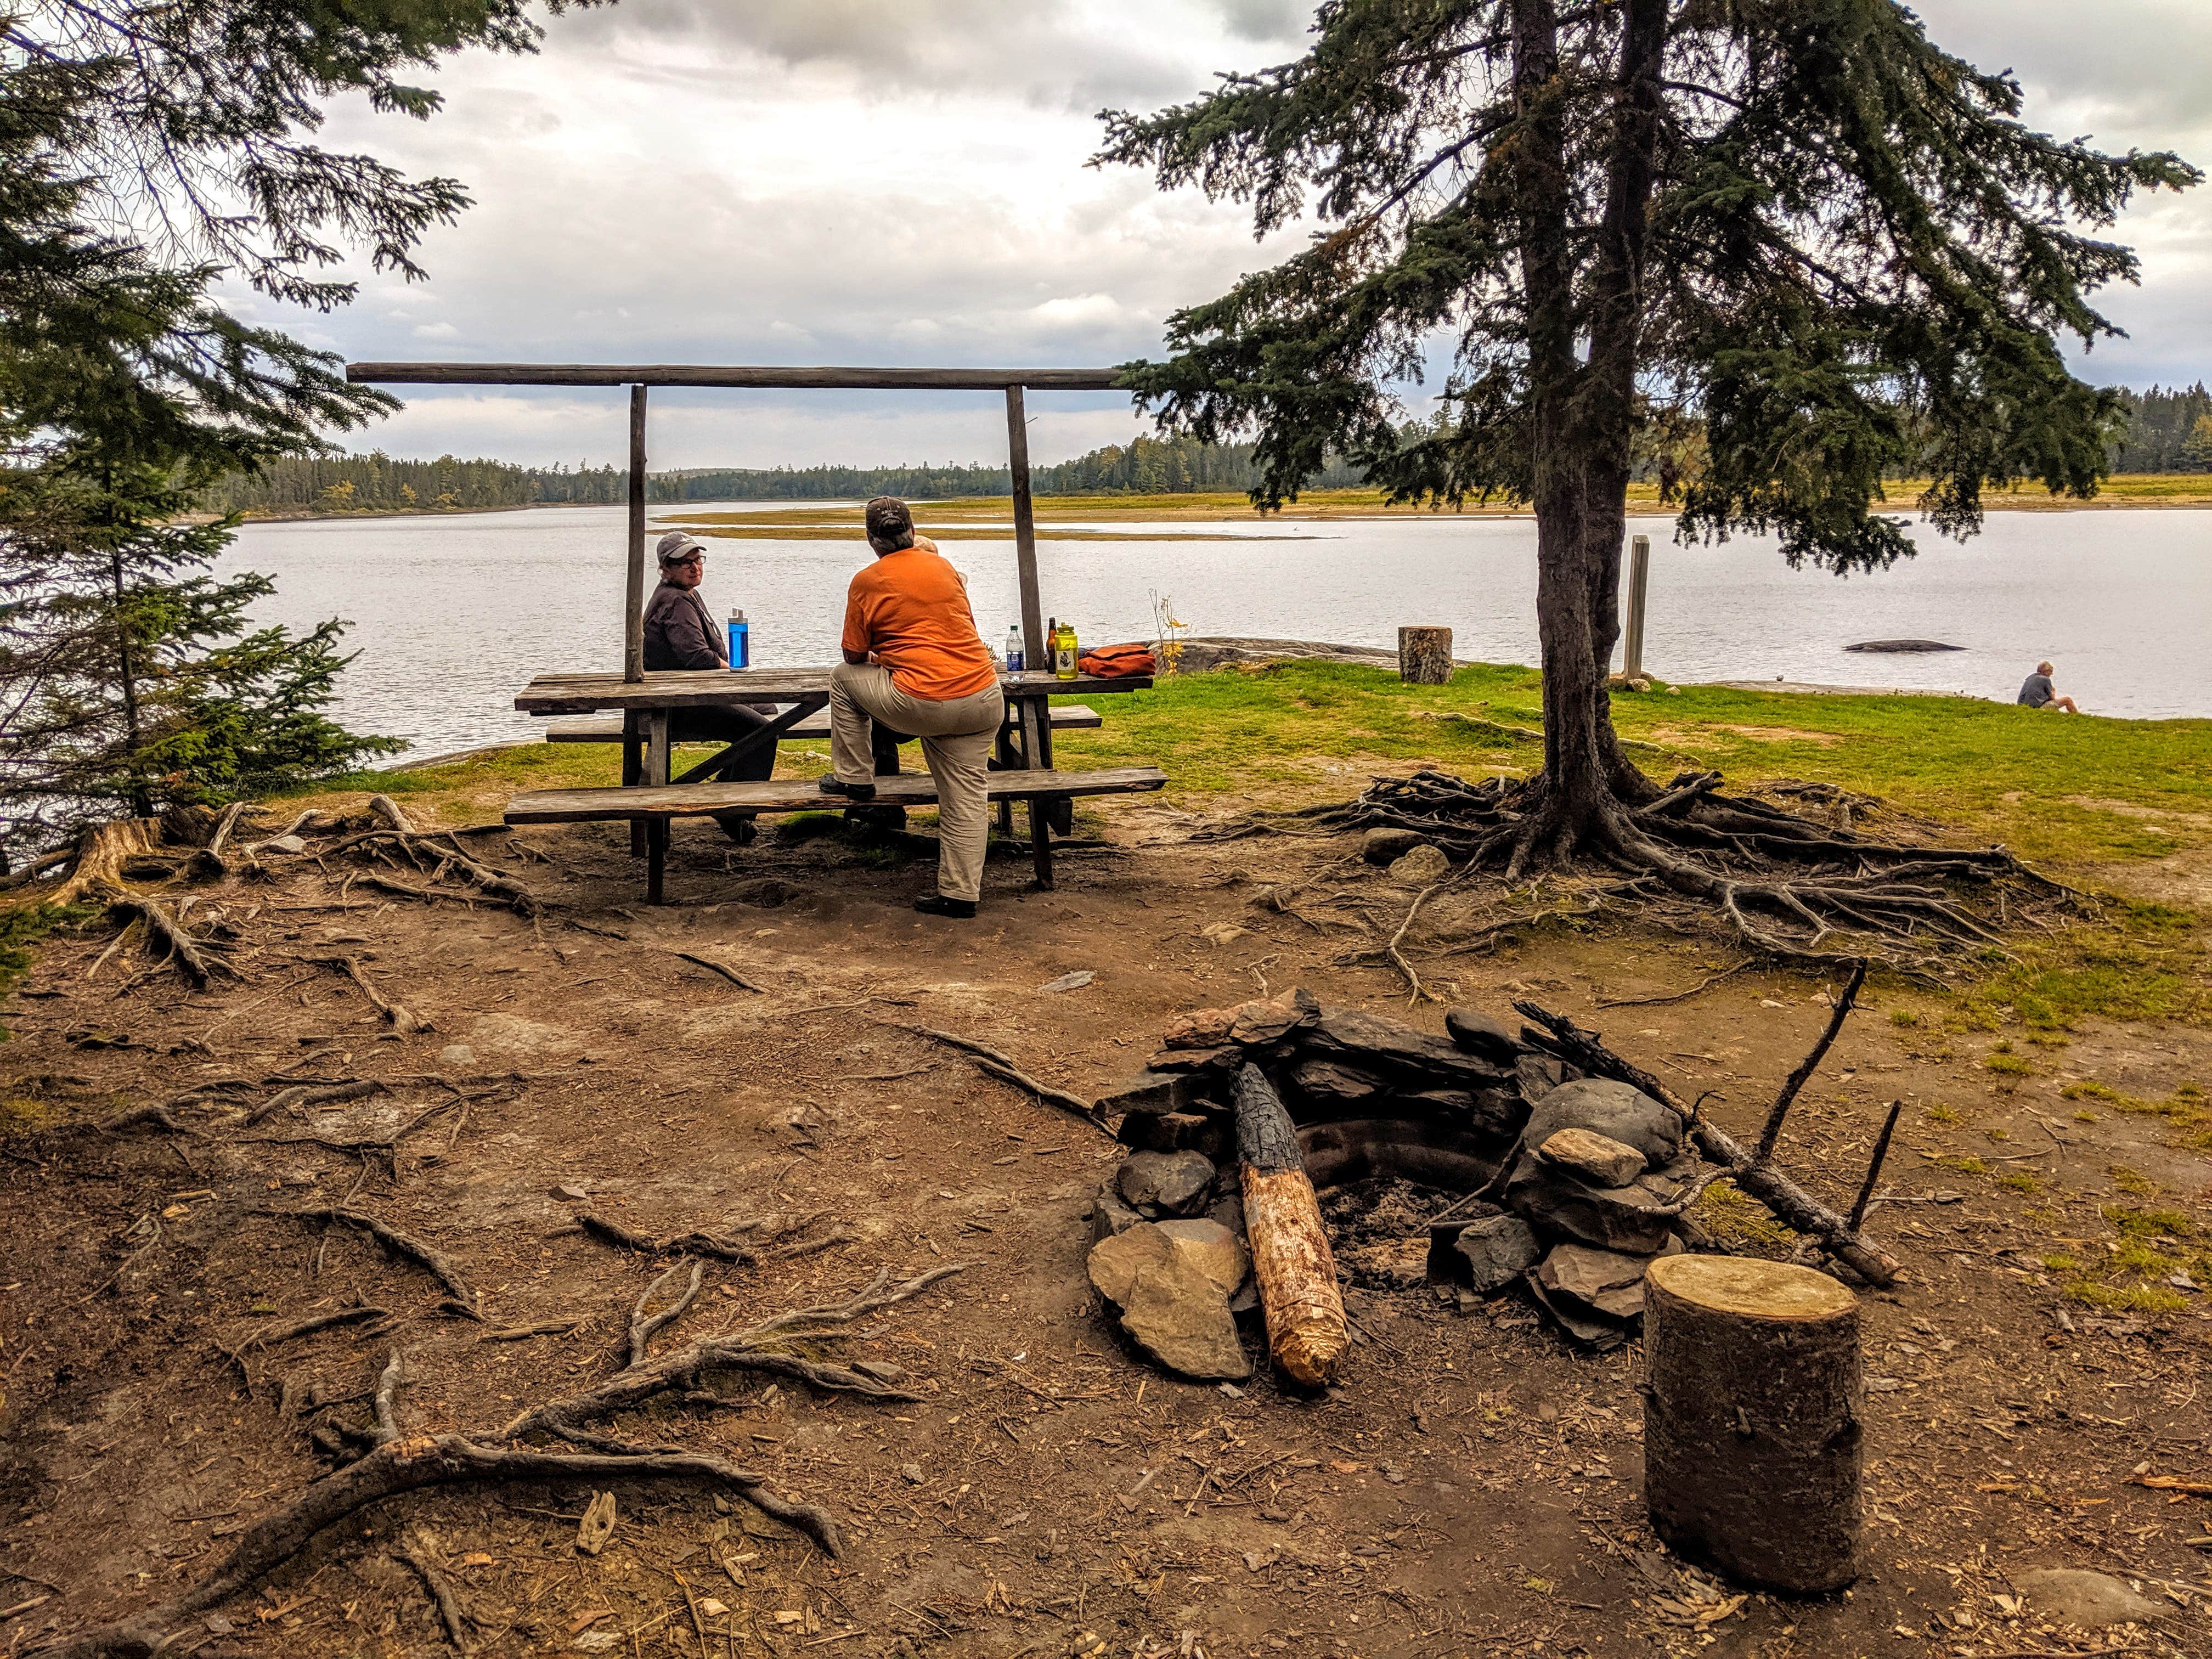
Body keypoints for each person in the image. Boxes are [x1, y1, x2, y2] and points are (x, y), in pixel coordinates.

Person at [822, 497, 1006, 918]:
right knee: (966, 798)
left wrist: (883, 657)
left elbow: (852, 656)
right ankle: (959, 895)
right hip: (983, 696)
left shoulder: (866, 580)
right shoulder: (946, 569)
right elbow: (961, 630)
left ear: (872, 540)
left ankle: (856, 780)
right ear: (912, 528)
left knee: (840, 678)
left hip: (922, 700)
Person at [642, 530, 777, 843]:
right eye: (684, 562)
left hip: (696, 694)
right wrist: (731, 670)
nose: (694, 567)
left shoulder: (685, 593)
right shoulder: (674, 601)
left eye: (697, 559)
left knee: (769, 711)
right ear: (666, 567)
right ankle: (735, 812)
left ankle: (725, 791)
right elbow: (697, 658)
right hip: (680, 703)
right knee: (764, 730)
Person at [2016, 661, 2080, 714]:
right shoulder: (2046, 679)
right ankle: (2077, 716)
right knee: (2068, 700)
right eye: (2051, 671)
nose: (2052, 674)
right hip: (2038, 708)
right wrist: (2054, 692)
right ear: (2045, 671)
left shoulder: (2031, 677)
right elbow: (2053, 698)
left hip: (2023, 706)